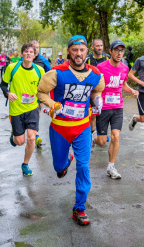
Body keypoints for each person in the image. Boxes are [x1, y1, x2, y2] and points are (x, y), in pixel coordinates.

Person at [37, 35, 104, 225]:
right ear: (69, 51)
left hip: (82, 128)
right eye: (75, 50)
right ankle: (66, 161)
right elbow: (41, 92)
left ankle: (80, 208)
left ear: (86, 52)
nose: (78, 53)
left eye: (82, 50)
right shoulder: (56, 73)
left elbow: (98, 89)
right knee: (59, 168)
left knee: (83, 167)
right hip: (60, 128)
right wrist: (52, 104)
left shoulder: (95, 74)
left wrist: (96, 99)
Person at [94, 40, 139, 179]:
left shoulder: (124, 68)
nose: (119, 53)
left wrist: (132, 90)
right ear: (111, 51)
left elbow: (122, 84)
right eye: (117, 50)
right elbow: (94, 85)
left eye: (122, 50)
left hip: (118, 107)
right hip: (103, 108)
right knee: (101, 141)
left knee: (115, 136)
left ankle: (111, 166)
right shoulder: (101, 67)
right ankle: (92, 137)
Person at [0, 42, 45, 177]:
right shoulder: (12, 68)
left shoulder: (39, 71)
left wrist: (43, 105)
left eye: (31, 52)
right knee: (20, 142)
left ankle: (25, 164)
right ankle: (14, 137)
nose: (28, 54)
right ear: (21, 54)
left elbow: (42, 90)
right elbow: (3, 85)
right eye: (26, 52)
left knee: (31, 139)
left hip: (32, 108)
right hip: (16, 109)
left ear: (34, 54)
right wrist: (8, 93)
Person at [85, 39, 110, 136]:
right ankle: (92, 133)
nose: (100, 48)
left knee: (105, 113)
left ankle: (102, 132)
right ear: (92, 47)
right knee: (93, 114)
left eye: (101, 46)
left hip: (105, 90)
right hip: (92, 91)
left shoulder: (107, 57)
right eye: (97, 46)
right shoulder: (88, 59)